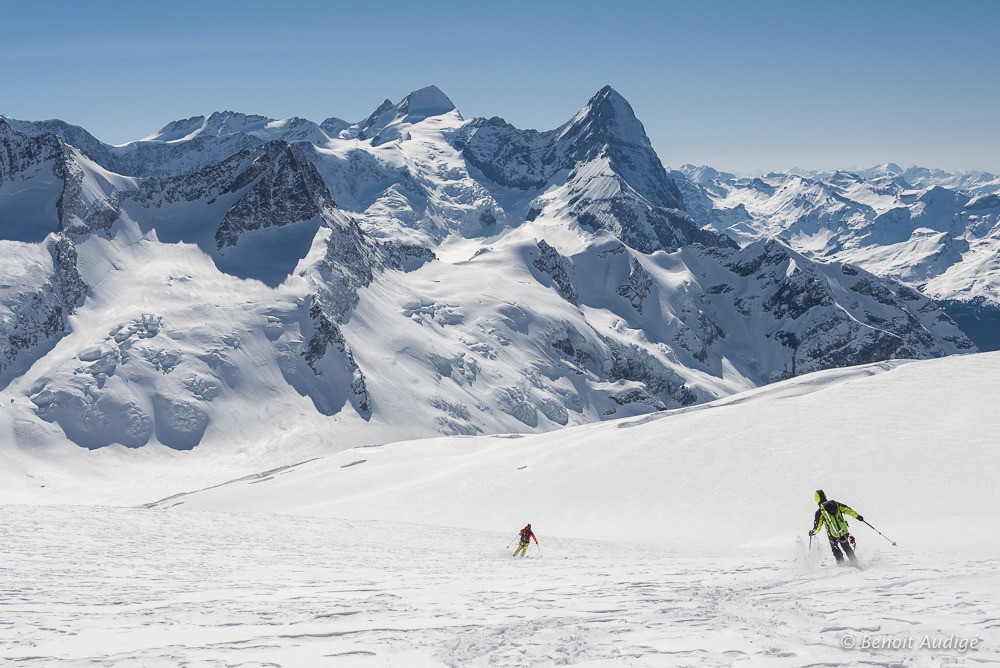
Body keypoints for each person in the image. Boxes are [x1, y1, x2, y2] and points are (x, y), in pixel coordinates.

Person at [809, 490, 863, 566]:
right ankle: (855, 562)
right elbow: (848, 510)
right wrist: (858, 516)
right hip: (843, 531)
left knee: (835, 549)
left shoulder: (820, 511)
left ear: (817, 499)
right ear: (825, 496)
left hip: (832, 534)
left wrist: (812, 532)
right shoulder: (836, 504)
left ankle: (841, 564)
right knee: (846, 547)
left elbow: (818, 527)